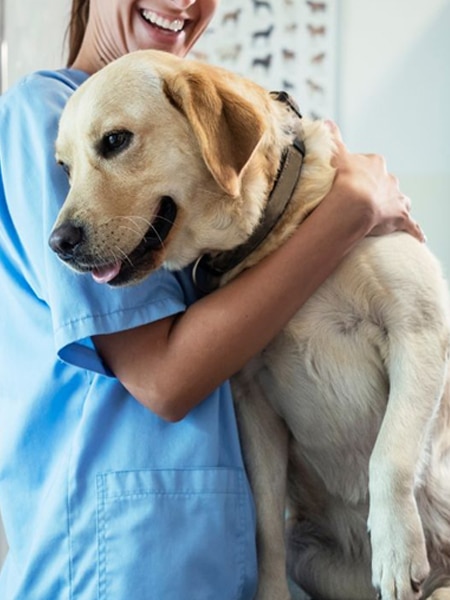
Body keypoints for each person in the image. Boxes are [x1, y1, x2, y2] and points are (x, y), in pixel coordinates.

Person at [0, 1, 424, 599]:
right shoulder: (41, 114)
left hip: (224, 565)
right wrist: (349, 209)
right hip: (115, 564)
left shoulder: (197, 138)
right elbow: (164, 382)